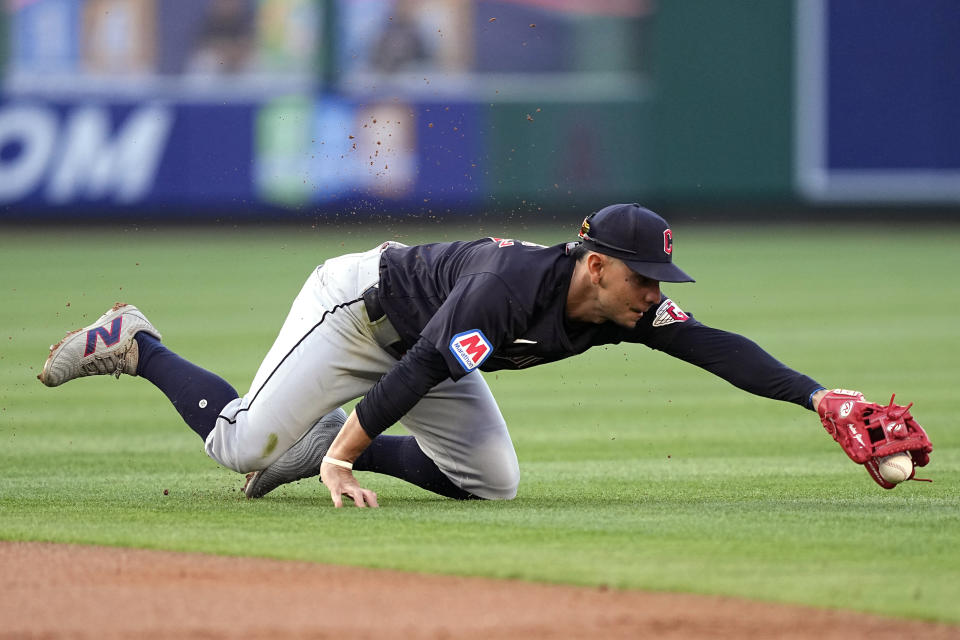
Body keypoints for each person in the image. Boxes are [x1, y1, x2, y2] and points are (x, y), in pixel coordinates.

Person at [40, 204, 845, 508]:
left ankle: (331, 437)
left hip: (432, 347)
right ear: (594, 264)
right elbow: (424, 364)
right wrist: (341, 464)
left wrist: (817, 397)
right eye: (645, 275)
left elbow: (714, 348)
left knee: (491, 483)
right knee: (241, 446)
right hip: (357, 313)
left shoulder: (619, 305)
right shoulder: (507, 287)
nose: (654, 292)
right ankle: (138, 344)